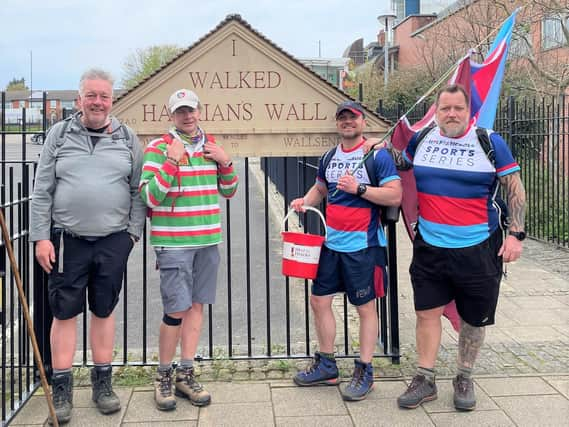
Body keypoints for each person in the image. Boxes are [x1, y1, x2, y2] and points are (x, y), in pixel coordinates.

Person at [382, 84, 526, 411]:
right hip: (430, 246)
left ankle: (464, 375)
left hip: (478, 247)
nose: (451, 114)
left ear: (468, 111)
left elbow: (515, 189)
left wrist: (516, 234)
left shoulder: (490, 142)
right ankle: (425, 377)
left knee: (474, 319)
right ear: (436, 111)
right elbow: (401, 164)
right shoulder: (422, 139)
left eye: (457, 108)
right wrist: (377, 141)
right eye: (444, 108)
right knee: (426, 312)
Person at [30, 68, 146, 424]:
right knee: (64, 313)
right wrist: (41, 237)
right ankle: (61, 390)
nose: (98, 102)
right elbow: (42, 190)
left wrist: (131, 236)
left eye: (104, 96)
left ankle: (103, 384)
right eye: (91, 95)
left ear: (112, 100)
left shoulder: (128, 138)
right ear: (79, 100)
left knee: (104, 311)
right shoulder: (59, 135)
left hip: (113, 240)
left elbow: (137, 192)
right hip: (67, 240)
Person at [290, 100, 402, 401]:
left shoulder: (376, 156)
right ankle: (327, 364)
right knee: (318, 300)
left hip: (364, 247)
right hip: (332, 243)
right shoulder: (329, 156)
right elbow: (322, 189)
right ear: (337, 123)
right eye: (342, 118)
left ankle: (365, 369)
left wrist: (360, 189)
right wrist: (304, 201)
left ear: (362, 122)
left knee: (365, 307)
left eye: (352, 118)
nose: (347, 122)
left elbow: (395, 195)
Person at [139, 89, 238, 410]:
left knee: (197, 307)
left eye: (191, 110)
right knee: (175, 311)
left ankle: (186, 372)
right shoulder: (158, 148)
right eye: (180, 112)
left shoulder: (211, 147)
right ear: (171, 115)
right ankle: (164, 375)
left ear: (199, 111)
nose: (187, 116)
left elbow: (230, 189)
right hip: (174, 243)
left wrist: (225, 161)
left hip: (207, 241)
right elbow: (149, 197)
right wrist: (171, 160)